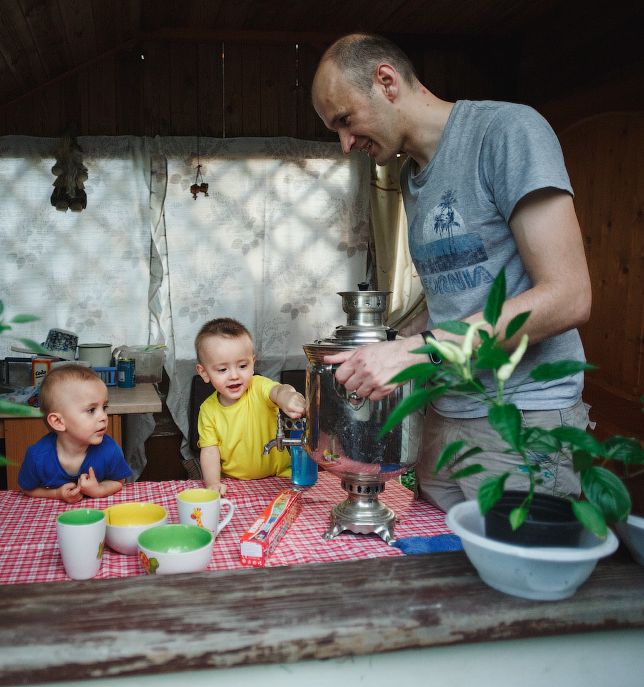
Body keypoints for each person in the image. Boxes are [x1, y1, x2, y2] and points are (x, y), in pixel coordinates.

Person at [310, 34, 593, 511]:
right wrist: (389, 345)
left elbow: (568, 296)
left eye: (345, 120)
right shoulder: (411, 177)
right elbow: (455, 294)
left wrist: (420, 352)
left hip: (523, 416)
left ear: (386, 81)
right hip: (443, 420)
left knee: (515, 581)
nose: (344, 144)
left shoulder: (507, 131)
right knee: (436, 573)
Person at [194, 318, 308, 496]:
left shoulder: (259, 387)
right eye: (222, 370)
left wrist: (289, 396)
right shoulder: (208, 410)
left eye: (242, 366)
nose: (234, 375)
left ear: (253, 363)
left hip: (280, 476)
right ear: (204, 373)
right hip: (233, 483)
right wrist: (213, 483)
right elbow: (209, 452)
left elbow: (278, 391)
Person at [17, 364, 132, 503]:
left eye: (104, 407)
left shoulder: (110, 450)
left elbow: (119, 481)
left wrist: (99, 490)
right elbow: (26, 488)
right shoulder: (37, 457)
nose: (103, 416)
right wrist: (56, 494)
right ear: (58, 422)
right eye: (91, 410)